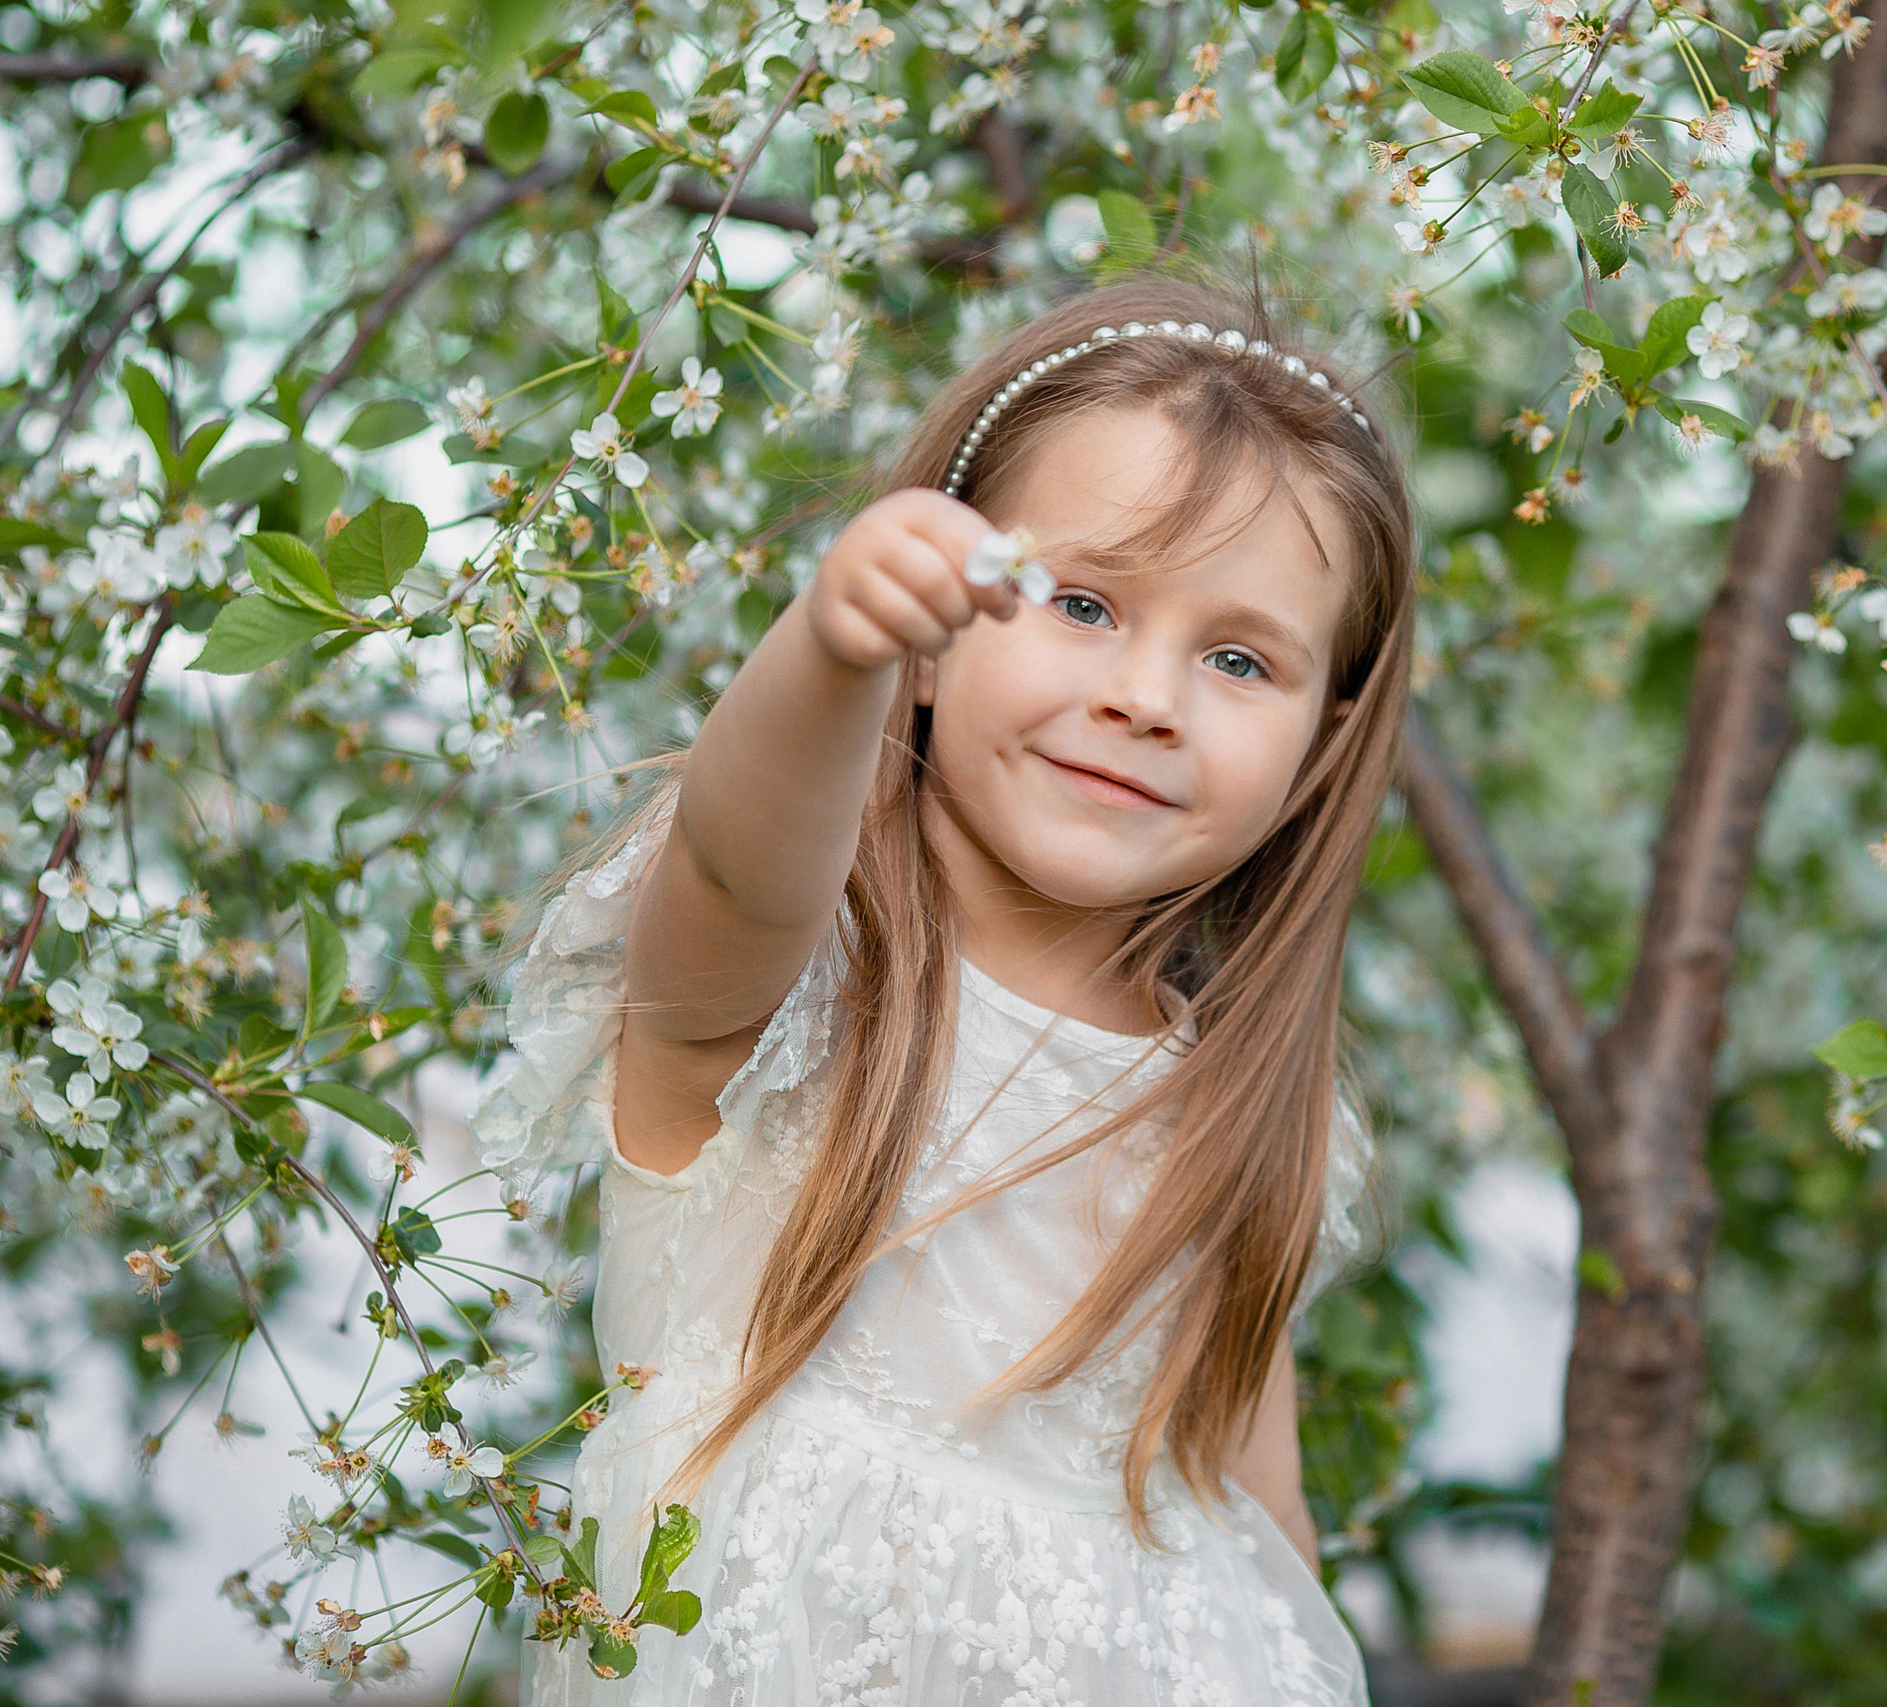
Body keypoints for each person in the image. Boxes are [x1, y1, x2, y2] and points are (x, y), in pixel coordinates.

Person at [473, 266, 1415, 1704]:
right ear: (932, 639)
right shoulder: (794, 991)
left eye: (1238, 657)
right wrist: (834, 645)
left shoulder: (1236, 1111)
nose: (1148, 696)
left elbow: (1257, 1515)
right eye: (1082, 603)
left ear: (1321, 748)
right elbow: (739, 860)